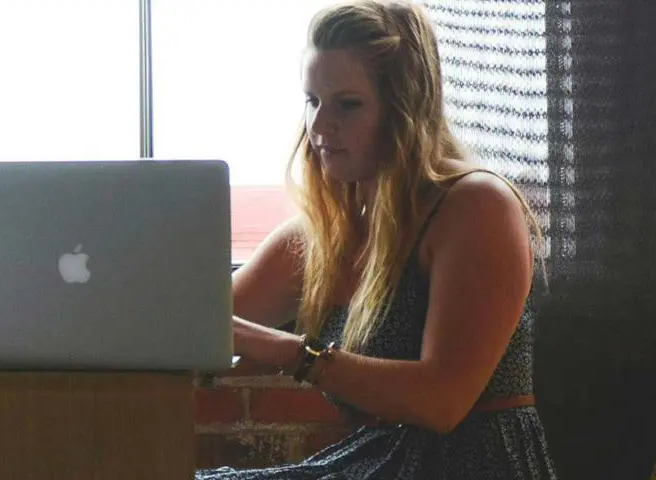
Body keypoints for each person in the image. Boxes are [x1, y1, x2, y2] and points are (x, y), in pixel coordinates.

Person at [195, 1, 556, 478]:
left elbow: (442, 401)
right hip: (379, 462)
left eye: (347, 104)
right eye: (313, 101)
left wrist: (287, 350)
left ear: (404, 109)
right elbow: (192, 333)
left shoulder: (475, 206)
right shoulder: (322, 236)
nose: (321, 127)